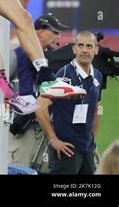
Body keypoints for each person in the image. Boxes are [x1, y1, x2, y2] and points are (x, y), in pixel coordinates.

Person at [8, 13, 69, 173]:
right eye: (55, 31)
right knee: (18, 170)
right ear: (40, 32)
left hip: (48, 129)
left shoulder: (55, 59)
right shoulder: (15, 56)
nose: (59, 35)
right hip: (22, 130)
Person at [36, 31, 103, 174]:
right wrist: (53, 139)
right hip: (66, 150)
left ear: (96, 50)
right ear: (74, 49)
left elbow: (97, 108)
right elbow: (40, 106)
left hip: (87, 149)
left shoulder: (97, 75)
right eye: (81, 45)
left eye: (89, 46)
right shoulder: (63, 75)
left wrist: (92, 141)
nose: (85, 50)